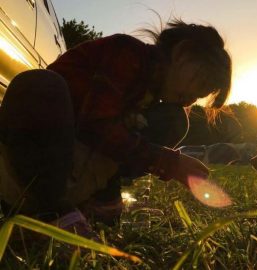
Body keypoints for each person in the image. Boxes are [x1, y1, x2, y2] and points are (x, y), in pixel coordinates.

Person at [0, 19, 232, 237]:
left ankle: (90, 200)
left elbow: (116, 141)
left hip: (74, 167)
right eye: (199, 85)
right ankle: (50, 212)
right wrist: (168, 162)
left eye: (199, 97)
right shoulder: (128, 53)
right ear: (182, 54)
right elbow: (96, 124)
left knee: (173, 120)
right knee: (41, 83)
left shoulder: (151, 98)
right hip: (29, 166)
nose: (191, 100)